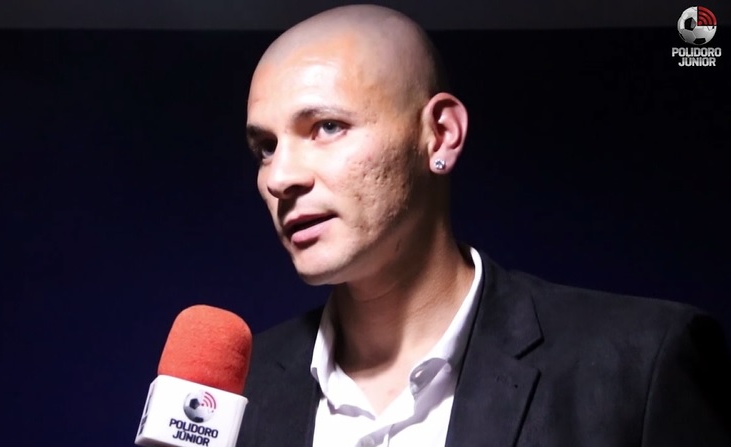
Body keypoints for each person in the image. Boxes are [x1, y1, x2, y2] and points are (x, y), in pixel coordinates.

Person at [237, 4, 731, 446]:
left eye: (327, 127)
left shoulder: (641, 364)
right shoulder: (235, 389)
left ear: (440, 135)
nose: (280, 178)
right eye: (266, 148)